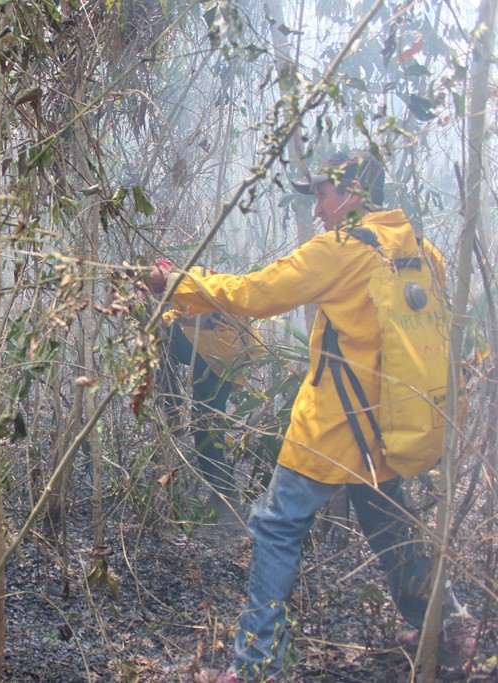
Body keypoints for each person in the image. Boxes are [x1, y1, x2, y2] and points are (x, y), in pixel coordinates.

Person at [149, 150, 473, 682]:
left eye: (322, 195)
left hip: (331, 429)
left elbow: (257, 294)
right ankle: (446, 625)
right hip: (390, 427)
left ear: (352, 194)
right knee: (392, 524)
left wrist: (179, 281)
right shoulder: (422, 250)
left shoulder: (342, 250)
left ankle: (256, 667)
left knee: (277, 527)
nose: (318, 210)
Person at [159, 307, 258, 503]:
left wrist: (164, 318)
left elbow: (195, 314)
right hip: (216, 352)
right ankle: (224, 491)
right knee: (206, 424)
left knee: (207, 425)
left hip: (218, 352)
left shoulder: (193, 280)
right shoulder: (196, 280)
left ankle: (224, 494)